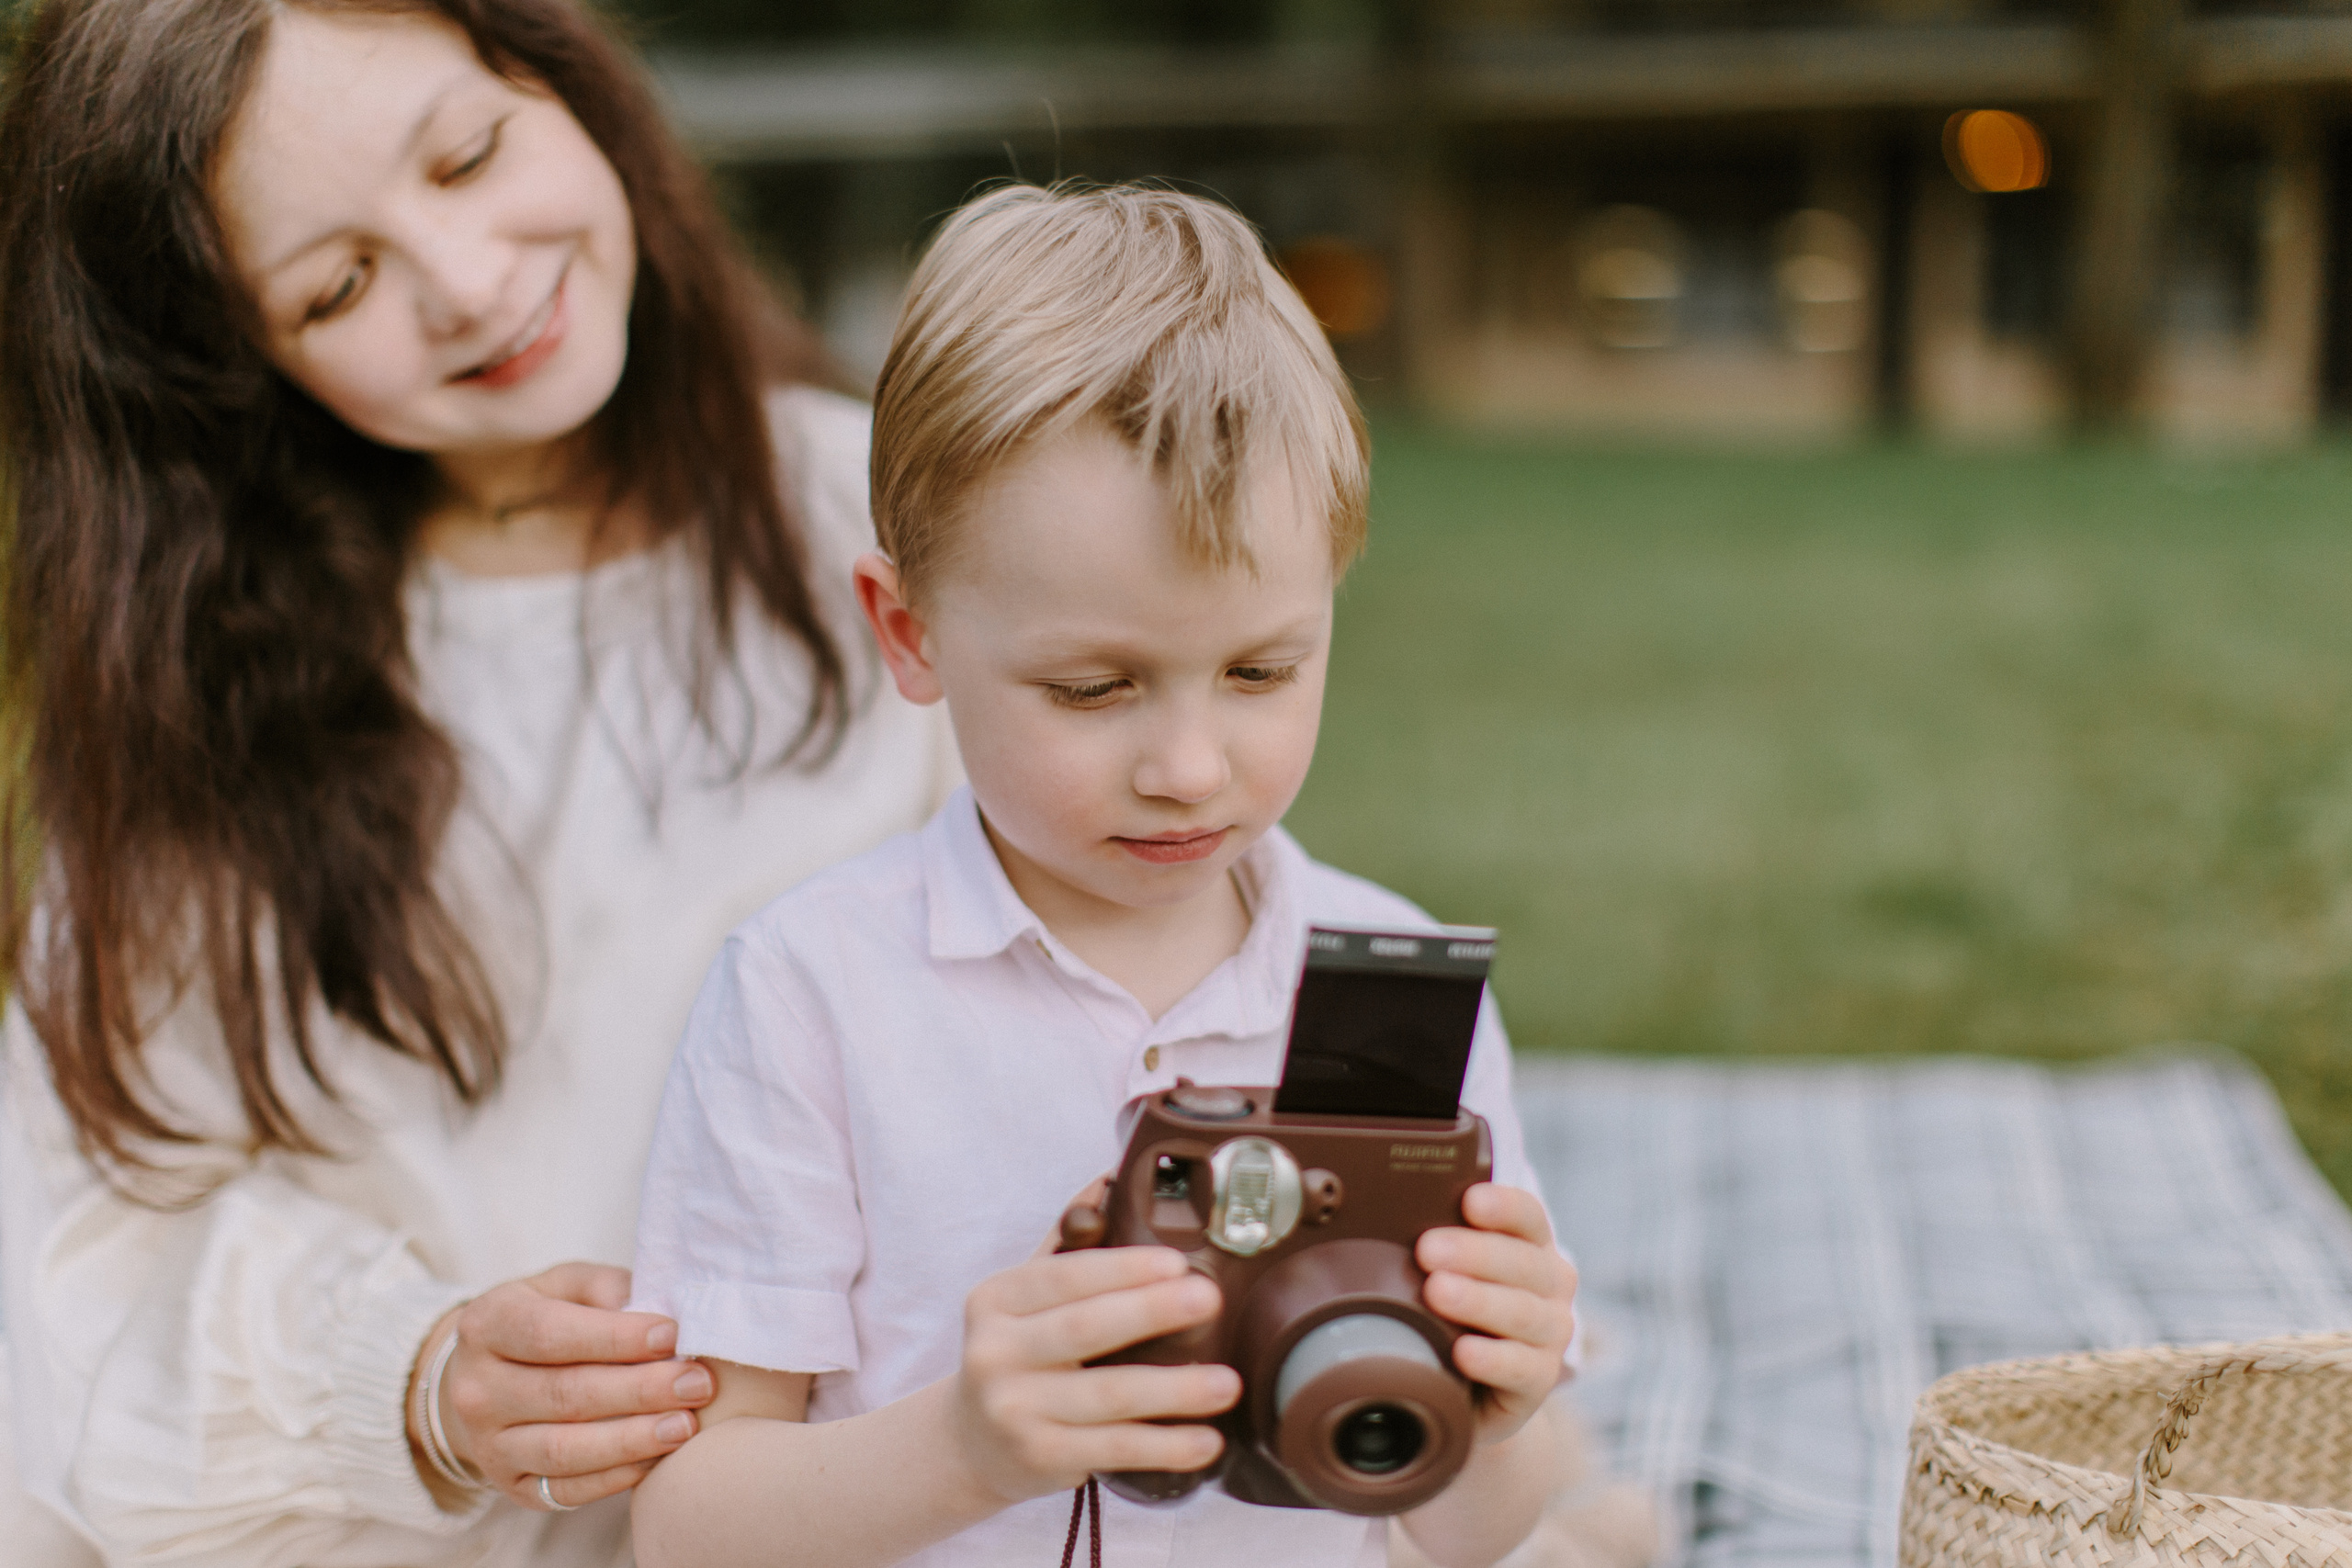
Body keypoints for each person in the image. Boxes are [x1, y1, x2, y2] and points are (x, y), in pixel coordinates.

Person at [0, 2, 956, 1564]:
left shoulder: (897, 521)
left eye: (467, 153)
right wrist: (417, 1377)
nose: (466, 283)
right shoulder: (204, 708)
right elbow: (81, 1264)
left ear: (566, 82)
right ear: (235, 359)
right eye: (339, 284)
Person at [625, 183, 1582, 1568]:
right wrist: (963, 1447)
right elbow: (689, 1526)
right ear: (909, 633)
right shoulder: (812, 993)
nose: (1190, 767)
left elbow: (1462, 1534)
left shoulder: (1383, 993)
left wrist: (1499, 1411)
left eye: (1262, 669)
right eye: (1092, 688)